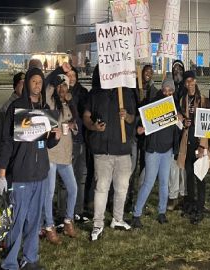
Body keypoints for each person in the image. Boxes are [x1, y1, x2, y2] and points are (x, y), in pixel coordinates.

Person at [0, 68, 61, 270]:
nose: (37, 85)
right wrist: (2, 172)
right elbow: (6, 143)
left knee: (35, 220)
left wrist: (55, 137)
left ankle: (30, 258)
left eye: (40, 82)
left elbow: (46, 144)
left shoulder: (44, 108)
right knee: (17, 221)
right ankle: (9, 263)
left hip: (40, 174)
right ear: (27, 85)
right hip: (21, 175)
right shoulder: (16, 108)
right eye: (34, 81)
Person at [83, 65, 136, 241]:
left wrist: (126, 115)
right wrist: (93, 127)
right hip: (103, 151)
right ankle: (98, 223)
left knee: (122, 188)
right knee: (102, 188)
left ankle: (118, 219)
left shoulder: (125, 92)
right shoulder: (95, 94)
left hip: (122, 150)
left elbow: (132, 118)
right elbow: (86, 116)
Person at [132, 78, 180, 228]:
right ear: (162, 89)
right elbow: (141, 124)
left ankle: (162, 212)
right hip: (153, 151)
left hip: (167, 150)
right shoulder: (153, 104)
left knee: (164, 183)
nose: (167, 92)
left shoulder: (175, 105)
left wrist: (180, 120)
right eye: (165, 89)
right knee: (148, 183)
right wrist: (141, 129)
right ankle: (136, 214)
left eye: (170, 90)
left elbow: (178, 127)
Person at [42, 75, 78, 244]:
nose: (62, 89)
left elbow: (75, 125)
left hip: (65, 154)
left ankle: (68, 220)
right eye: (60, 86)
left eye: (65, 86)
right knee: (49, 193)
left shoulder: (68, 104)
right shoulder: (51, 103)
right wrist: (58, 77)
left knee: (73, 188)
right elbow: (48, 89)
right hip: (51, 154)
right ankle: (49, 227)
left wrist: (72, 125)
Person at [176, 71, 209, 224]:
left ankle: (200, 207)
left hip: (199, 142)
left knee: (200, 176)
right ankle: (190, 203)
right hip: (187, 141)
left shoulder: (202, 100)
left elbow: (207, 124)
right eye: (187, 81)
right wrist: (184, 121)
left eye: (191, 80)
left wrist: (203, 145)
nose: (189, 83)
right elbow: (179, 115)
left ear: (195, 81)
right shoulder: (183, 99)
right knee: (189, 174)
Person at [127, 64, 159, 212]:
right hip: (134, 134)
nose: (149, 74)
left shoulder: (154, 91)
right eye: (146, 71)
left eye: (151, 72)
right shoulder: (132, 89)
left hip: (146, 136)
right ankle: (128, 198)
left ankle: (140, 199)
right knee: (131, 168)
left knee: (144, 168)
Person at [67, 66, 90, 222]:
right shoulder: (59, 93)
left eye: (74, 75)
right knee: (66, 181)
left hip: (80, 139)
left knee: (80, 177)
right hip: (66, 142)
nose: (72, 78)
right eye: (68, 75)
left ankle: (78, 210)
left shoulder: (83, 93)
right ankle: (65, 212)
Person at [167, 60, 187, 211]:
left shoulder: (187, 90)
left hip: (184, 132)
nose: (177, 71)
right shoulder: (168, 89)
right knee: (173, 165)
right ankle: (172, 195)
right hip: (172, 133)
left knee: (183, 164)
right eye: (175, 69)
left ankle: (183, 194)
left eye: (180, 69)